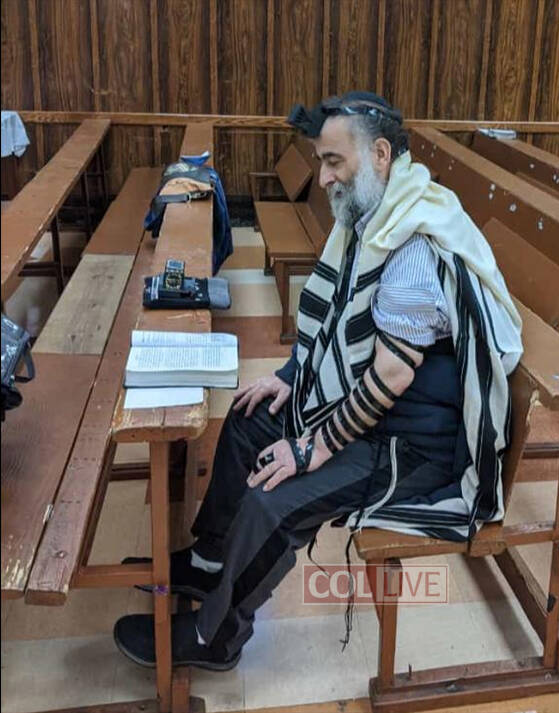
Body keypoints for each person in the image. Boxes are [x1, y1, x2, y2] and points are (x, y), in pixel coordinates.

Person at [114, 91, 522, 670]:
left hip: (412, 446)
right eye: (322, 162)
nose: (324, 177)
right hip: (378, 413)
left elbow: (388, 378)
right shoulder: (379, 214)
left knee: (274, 500)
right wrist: (291, 374)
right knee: (249, 420)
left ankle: (216, 638)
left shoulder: (413, 247)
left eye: (334, 162)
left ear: (380, 155)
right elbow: (335, 320)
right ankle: (210, 562)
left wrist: (311, 448)